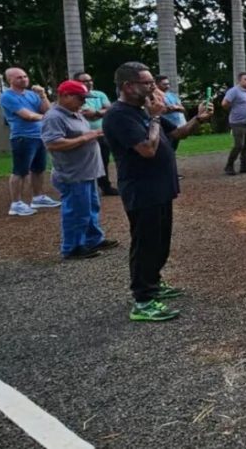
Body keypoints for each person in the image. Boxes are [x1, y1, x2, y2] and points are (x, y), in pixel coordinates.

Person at [103, 61, 212, 322]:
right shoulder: (119, 115)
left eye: (152, 82)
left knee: (160, 241)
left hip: (160, 188)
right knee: (145, 244)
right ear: (128, 86)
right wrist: (153, 116)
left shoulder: (142, 110)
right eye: (147, 83)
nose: (153, 87)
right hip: (142, 190)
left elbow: (176, 133)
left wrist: (198, 118)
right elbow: (147, 150)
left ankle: (153, 282)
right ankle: (142, 300)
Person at [41, 80, 120, 260]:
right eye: (80, 98)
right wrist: (87, 138)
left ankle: (93, 239)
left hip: (86, 171)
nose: (84, 102)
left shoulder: (74, 113)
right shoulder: (54, 117)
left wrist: (96, 133)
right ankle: (72, 247)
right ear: (65, 96)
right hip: (72, 173)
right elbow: (53, 143)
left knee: (90, 207)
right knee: (76, 211)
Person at [0, 67, 60, 217]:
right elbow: (28, 116)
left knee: (39, 169)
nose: (24, 79)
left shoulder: (33, 95)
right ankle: (16, 204)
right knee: (20, 171)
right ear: (10, 80)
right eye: (19, 77)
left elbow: (47, 110)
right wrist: (47, 118)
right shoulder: (7, 96)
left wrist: (43, 95)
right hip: (22, 137)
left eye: (25, 76)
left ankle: (38, 197)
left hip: (39, 136)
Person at [75, 72, 119, 196]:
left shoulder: (99, 94)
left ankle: (105, 186)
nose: (89, 83)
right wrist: (99, 113)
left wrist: (96, 113)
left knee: (103, 160)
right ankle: (86, 187)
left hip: (101, 133)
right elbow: (83, 113)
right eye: (84, 81)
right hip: (83, 134)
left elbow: (109, 110)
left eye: (90, 80)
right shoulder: (76, 96)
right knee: (85, 161)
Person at [221, 72, 246, 175]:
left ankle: (244, 165)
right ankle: (229, 165)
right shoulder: (234, 91)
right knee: (239, 145)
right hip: (238, 122)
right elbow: (224, 103)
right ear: (239, 81)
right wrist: (235, 111)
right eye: (245, 79)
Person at [155, 75, 186, 151]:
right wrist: (173, 108)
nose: (168, 86)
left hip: (176, 127)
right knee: (165, 149)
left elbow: (182, 108)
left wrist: (174, 108)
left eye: (168, 84)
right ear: (157, 85)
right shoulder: (155, 96)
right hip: (164, 128)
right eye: (164, 84)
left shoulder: (172, 95)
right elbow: (160, 110)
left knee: (173, 149)